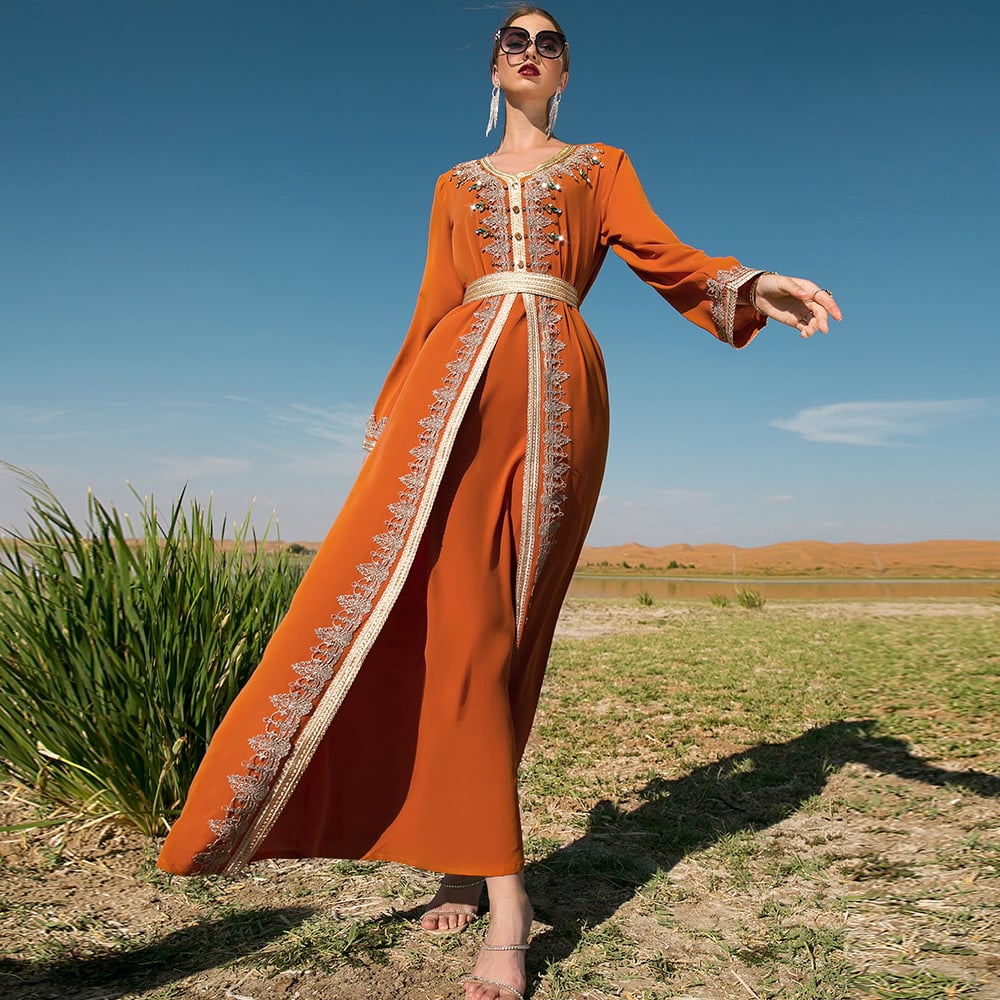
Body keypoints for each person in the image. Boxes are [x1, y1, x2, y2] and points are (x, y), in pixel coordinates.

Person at [157, 7, 841, 999]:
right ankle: (484, 878)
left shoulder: (600, 165)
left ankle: (477, 870)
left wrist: (751, 281)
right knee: (440, 619)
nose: (528, 47)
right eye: (511, 39)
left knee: (503, 628)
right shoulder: (451, 184)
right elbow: (433, 298)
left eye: (548, 40)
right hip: (445, 399)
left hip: (554, 388)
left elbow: (660, 250)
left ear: (564, 71)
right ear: (492, 68)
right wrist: (392, 408)